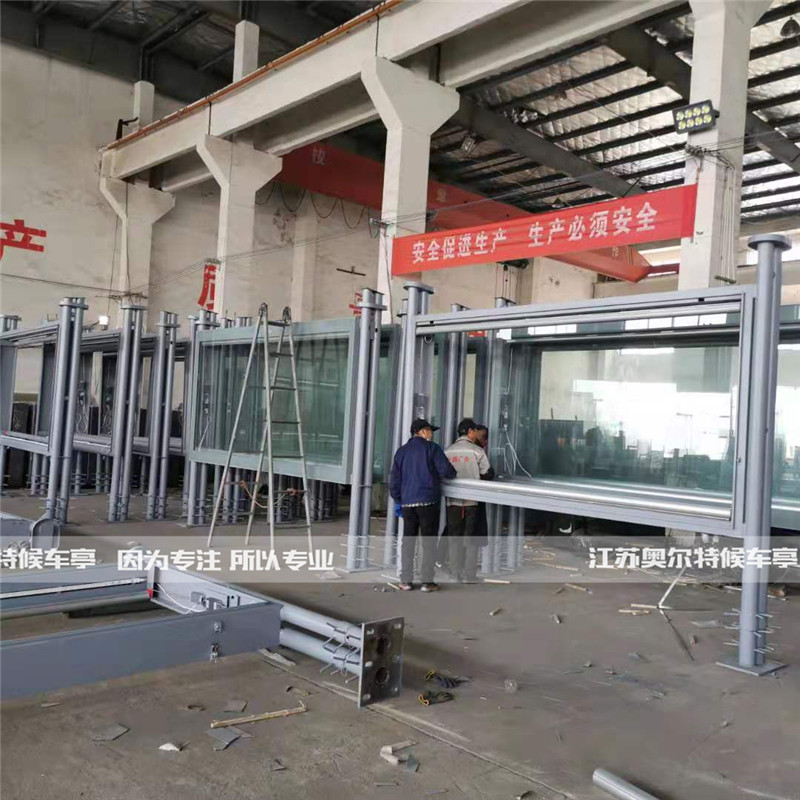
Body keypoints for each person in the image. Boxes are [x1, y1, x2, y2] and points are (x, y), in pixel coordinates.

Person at [389, 418, 456, 592]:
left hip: (407, 503)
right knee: (428, 542)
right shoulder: (432, 448)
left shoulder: (401, 451)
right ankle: (427, 582)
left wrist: (398, 499)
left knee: (408, 542)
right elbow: (447, 471)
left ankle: (405, 581)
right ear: (421, 431)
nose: (431, 433)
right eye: (429, 430)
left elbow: (394, 480)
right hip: (428, 502)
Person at [444, 418, 493, 583]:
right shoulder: (477, 451)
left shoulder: (447, 451)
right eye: (475, 432)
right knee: (471, 538)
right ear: (470, 431)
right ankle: (469, 575)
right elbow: (487, 473)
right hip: (472, 501)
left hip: (452, 502)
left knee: (454, 537)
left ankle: (455, 573)